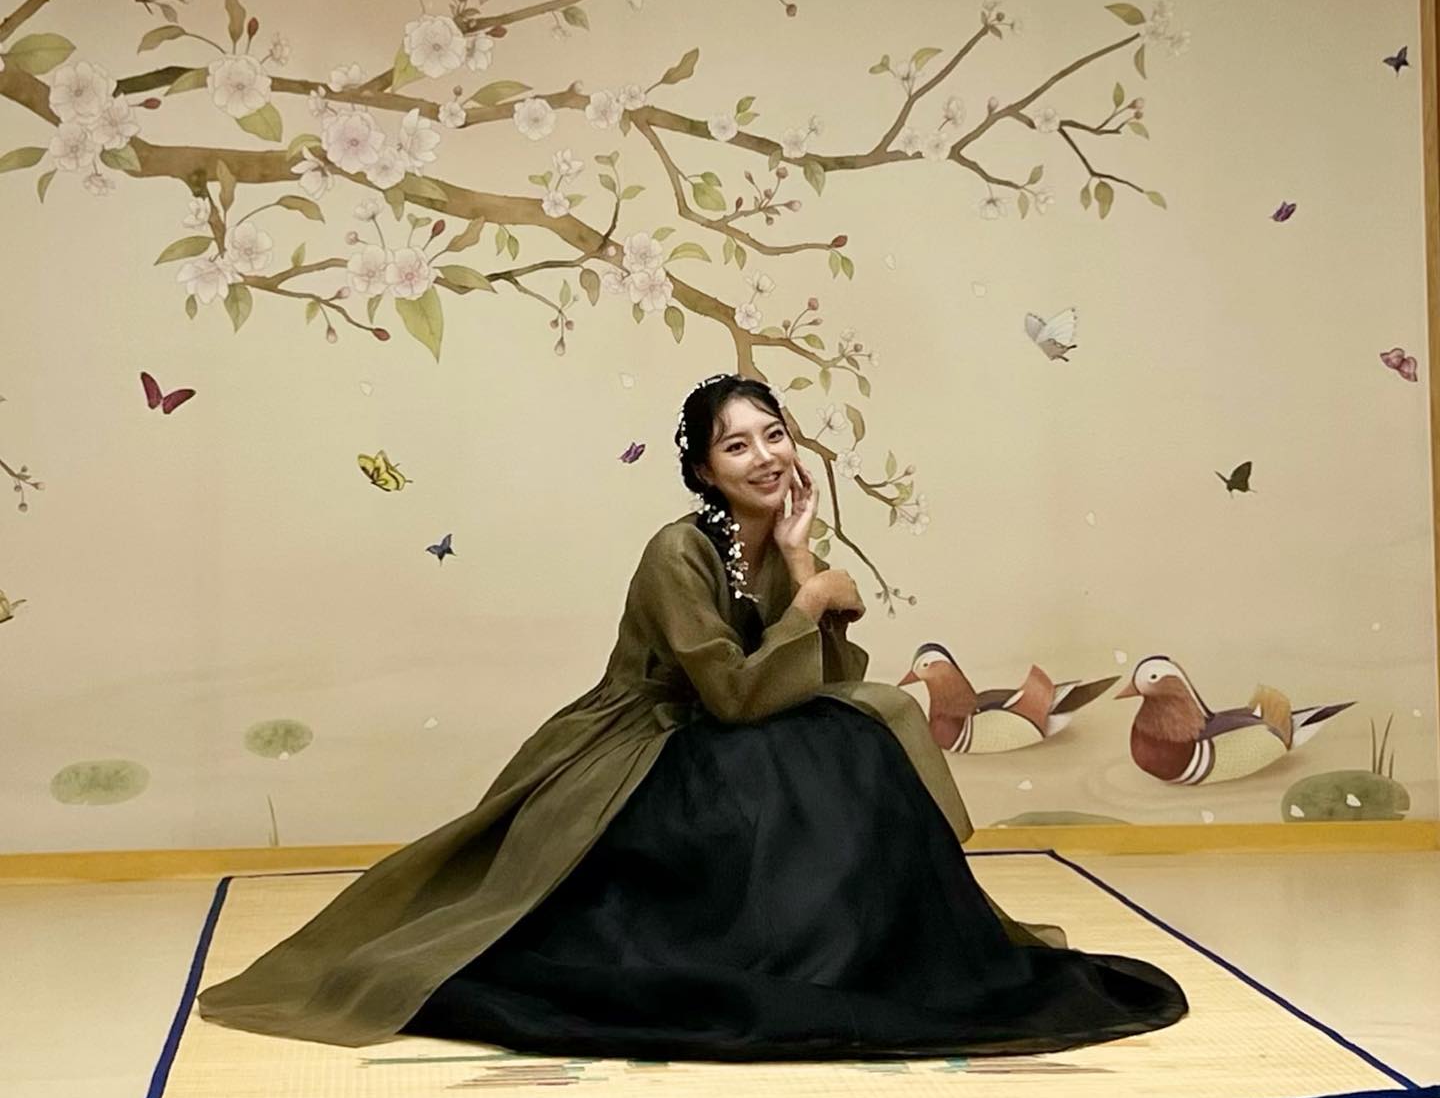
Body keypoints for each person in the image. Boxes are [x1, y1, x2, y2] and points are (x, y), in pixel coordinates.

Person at [196, 371, 1186, 1060]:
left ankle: (860, 949)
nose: (763, 456)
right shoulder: (679, 551)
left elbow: (824, 677)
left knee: (862, 727)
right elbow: (734, 694)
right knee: (832, 747)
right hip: (649, 743)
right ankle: (781, 949)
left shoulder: (784, 537)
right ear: (705, 471)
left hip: (731, 729)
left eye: (774, 435)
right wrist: (809, 600)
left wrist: (800, 563)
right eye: (735, 445)